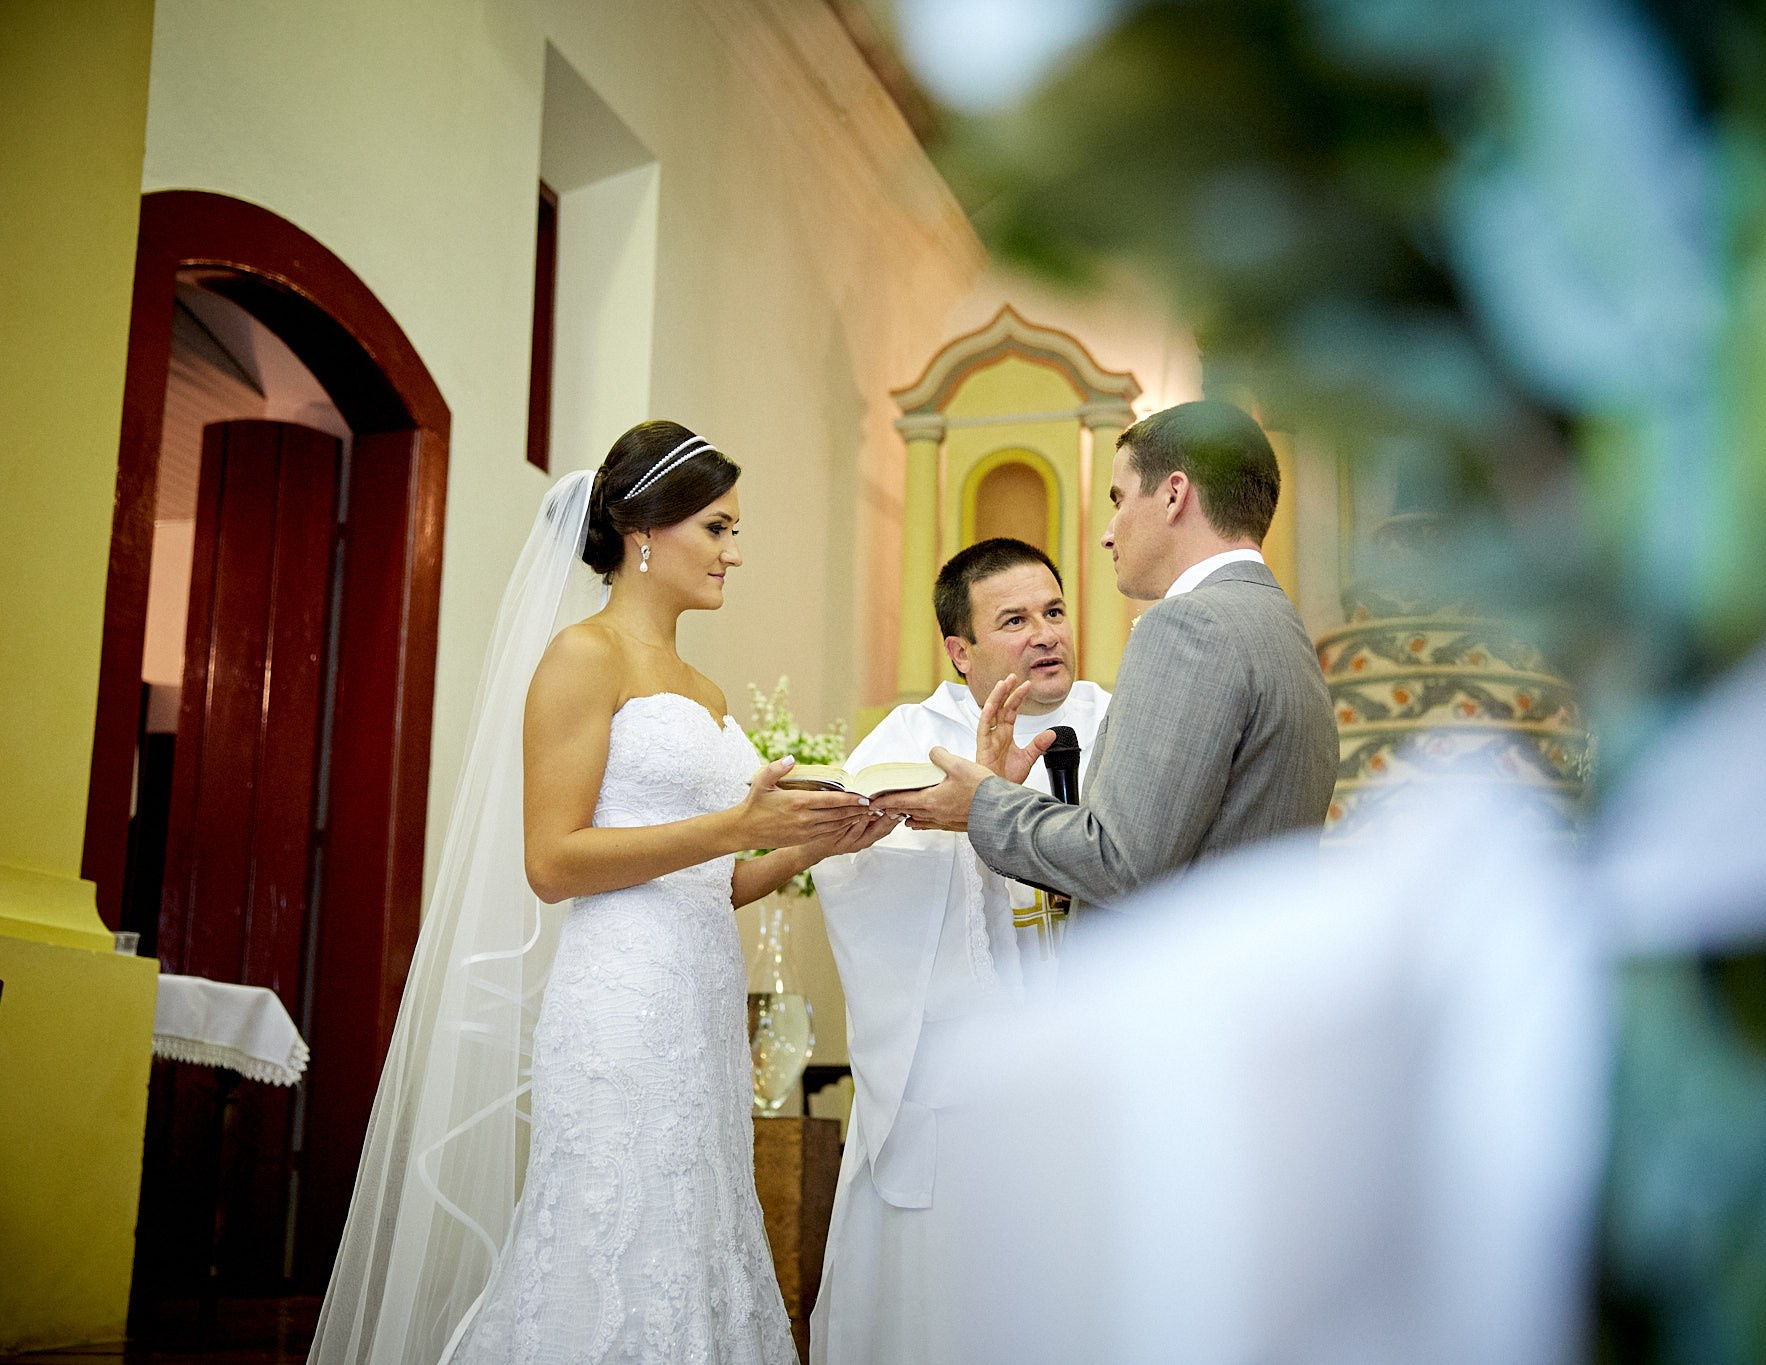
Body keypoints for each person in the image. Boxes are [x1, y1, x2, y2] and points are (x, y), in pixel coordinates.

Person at [309, 422, 892, 1365]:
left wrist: (817, 839)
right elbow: (553, 860)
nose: (734, 552)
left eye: (736, 529)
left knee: (698, 1226)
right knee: (612, 1230)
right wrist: (735, 826)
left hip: (699, 1000)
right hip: (617, 1002)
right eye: (717, 527)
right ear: (643, 531)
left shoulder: (704, 688)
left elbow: (715, 881)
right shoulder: (581, 657)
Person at [808, 538, 1110, 1365]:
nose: (1046, 633)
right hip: (963, 1084)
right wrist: (977, 814)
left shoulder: (1114, 718)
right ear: (960, 649)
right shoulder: (910, 738)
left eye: (1053, 610)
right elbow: (853, 876)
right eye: (1014, 619)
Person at [877, 399, 1339, 918]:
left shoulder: (1188, 624)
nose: (1108, 532)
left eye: (1119, 499)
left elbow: (1119, 861)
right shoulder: (1278, 619)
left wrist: (982, 804)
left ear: (1173, 495)